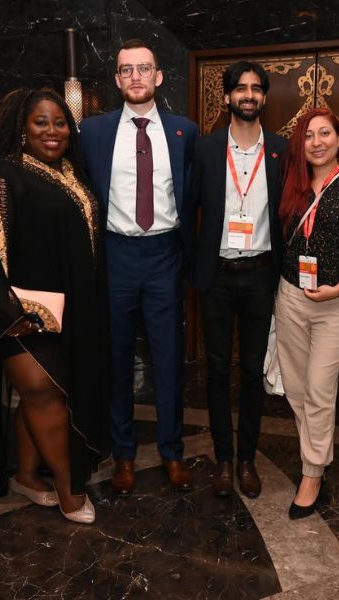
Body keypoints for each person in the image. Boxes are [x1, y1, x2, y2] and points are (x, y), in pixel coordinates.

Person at [0, 88, 108, 525]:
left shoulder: (72, 173)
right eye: (41, 122)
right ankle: (70, 490)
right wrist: (10, 314)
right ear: (22, 127)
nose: (52, 132)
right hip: (20, 318)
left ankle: (27, 476)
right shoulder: (2, 176)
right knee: (43, 392)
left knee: (44, 396)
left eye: (60, 123)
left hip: (68, 314)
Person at [81, 39, 198, 496]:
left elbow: (192, 200)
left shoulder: (183, 132)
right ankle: (123, 454)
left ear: (158, 77)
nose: (135, 77)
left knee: (169, 359)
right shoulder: (93, 132)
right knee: (116, 359)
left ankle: (171, 452)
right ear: (116, 79)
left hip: (165, 256)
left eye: (143, 69)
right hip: (115, 257)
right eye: (126, 69)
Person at [274, 107, 339, 519]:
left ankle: (313, 471)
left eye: (325, 134)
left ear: (338, 138)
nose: (317, 142)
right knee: (297, 389)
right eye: (309, 136)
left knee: (319, 387)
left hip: (338, 303)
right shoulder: (291, 185)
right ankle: (316, 455)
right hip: (292, 297)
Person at [193, 61, 286, 499]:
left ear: (264, 97)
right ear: (227, 97)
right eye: (240, 88)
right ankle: (223, 459)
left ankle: (247, 458)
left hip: (260, 276)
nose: (248, 95)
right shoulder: (207, 149)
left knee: (251, 373)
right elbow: (187, 209)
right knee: (215, 371)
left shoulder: (282, 152)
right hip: (216, 275)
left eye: (255, 88)